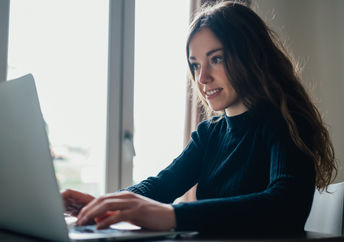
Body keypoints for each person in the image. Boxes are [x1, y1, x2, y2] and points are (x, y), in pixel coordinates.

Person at [62, 1, 337, 236]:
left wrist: (173, 216)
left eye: (216, 59)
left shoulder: (286, 122)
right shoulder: (209, 134)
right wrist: (105, 203)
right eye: (195, 65)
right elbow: (162, 185)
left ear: (250, 57)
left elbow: (284, 206)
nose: (202, 78)